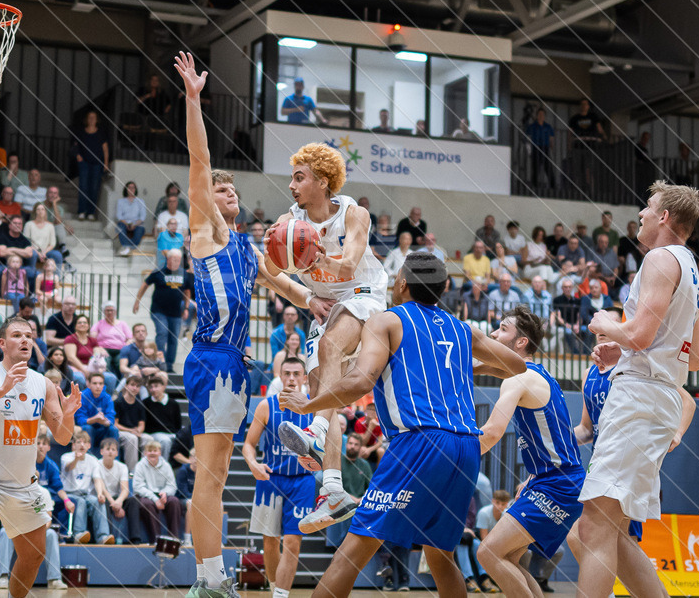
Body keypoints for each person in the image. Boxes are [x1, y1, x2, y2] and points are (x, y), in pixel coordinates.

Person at [278, 252, 527, 597]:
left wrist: (310, 404)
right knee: (440, 555)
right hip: (466, 448)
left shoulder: (387, 321)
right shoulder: (462, 329)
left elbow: (361, 381)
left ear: (402, 283)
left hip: (420, 442)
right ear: (443, 289)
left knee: (351, 553)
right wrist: (465, 366)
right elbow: (517, 365)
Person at [174, 51, 318, 597]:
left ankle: (209, 578)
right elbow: (199, 160)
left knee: (214, 475)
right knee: (210, 474)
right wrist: (194, 101)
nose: (227, 193)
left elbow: (288, 287)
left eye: (232, 190)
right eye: (219, 189)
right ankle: (210, 580)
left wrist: (321, 303)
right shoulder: (206, 230)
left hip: (235, 364)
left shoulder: (247, 248)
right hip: (212, 359)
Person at [577, 181, 699, 598]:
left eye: (648, 207)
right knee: (611, 531)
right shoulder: (690, 268)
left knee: (594, 526)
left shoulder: (660, 258)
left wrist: (606, 324)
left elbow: (640, 334)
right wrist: (626, 350)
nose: (642, 213)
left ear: (664, 217)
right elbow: (694, 358)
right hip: (657, 395)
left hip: (640, 398)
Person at [268, 140, 389, 531]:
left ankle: (316, 431)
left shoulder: (354, 214)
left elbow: (349, 265)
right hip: (325, 305)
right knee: (323, 390)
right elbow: (272, 271)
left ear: (322, 181)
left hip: (362, 293)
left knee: (330, 347)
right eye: (291, 178)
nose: (291, 185)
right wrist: (305, 295)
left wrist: (315, 257)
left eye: (299, 178)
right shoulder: (290, 222)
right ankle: (334, 491)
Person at [0, 317, 82, 598]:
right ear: (1, 343)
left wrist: (68, 414)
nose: (25, 340)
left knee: (34, 554)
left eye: (29, 336)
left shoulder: (43, 384)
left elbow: (62, 437)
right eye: (17, 335)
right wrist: (1, 391)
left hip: (22, 484)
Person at [474, 306, 585, 598]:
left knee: (488, 553)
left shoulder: (518, 379)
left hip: (557, 484)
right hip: (551, 480)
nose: (493, 334)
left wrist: (456, 457)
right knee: (508, 557)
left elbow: (492, 431)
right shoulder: (533, 373)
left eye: (502, 329)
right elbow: (491, 367)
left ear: (521, 341)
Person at [243, 357, 314, 598]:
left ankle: (281, 595)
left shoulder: (314, 407)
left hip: (302, 481)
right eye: (287, 373)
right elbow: (249, 444)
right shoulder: (266, 406)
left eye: (296, 374)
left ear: (304, 378)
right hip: (271, 479)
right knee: (270, 541)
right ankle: (274, 589)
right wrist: (253, 464)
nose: (291, 378)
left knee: (293, 542)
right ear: (280, 377)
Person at [133, 250, 194, 372]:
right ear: (168, 259)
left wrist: (186, 308)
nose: (177, 262)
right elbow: (145, 284)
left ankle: (169, 366)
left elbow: (187, 291)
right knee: (162, 333)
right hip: (158, 311)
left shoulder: (183, 274)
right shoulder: (159, 272)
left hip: (176, 313)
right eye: (174, 259)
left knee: (173, 339)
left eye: (179, 260)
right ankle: (160, 362)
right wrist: (137, 301)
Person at [59, 428, 114, 544]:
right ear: (74, 445)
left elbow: (97, 480)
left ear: (89, 446)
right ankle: (79, 534)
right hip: (69, 494)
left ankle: (103, 536)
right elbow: (68, 468)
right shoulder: (65, 457)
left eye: (85, 442)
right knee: (81, 502)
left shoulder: (93, 460)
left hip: (86, 494)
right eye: (79, 442)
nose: (82, 445)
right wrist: (76, 459)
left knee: (98, 501)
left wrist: (100, 494)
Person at [133, 440, 182, 544]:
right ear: (145, 453)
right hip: (147, 495)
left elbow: (172, 486)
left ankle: (174, 539)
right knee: (147, 504)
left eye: (155, 450)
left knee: (174, 501)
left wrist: (165, 493)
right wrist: (155, 499)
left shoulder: (166, 465)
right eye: (149, 450)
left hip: (163, 494)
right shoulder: (140, 465)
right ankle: (156, 540)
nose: (152, 453)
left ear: (159, 452)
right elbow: (138, 487)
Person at [73, 110, 111, 220]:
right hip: (84, 163)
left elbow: (105, 149)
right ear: (86, 119)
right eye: (90, 117)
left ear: (97, 120)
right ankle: (81, 211)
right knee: (83, 187)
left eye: (94, 117)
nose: (91, 119)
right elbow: (75, 145)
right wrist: (78, 155)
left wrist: (106, 163)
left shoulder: (101, 133)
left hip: (97, 164)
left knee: (94, 188)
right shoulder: (81, 132)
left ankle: (90, 212)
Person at [75, 372, 120, 455]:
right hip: (88, 428)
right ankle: (88, 457)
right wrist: (94, 419)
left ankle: (114, 459)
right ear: (89, 384)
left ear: (103, 385)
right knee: (87, 428)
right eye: (95, 383)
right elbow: (79, 420)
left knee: (113, 429)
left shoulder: (107, 397)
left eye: (100, 383)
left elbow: (111, 419)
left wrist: (105, 421)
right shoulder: (82, 396)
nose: (98, 386)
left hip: (102, 428)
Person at [525, 107, 555, 189]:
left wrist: (551, 150)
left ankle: (553, 187)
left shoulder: (548, 126)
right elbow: (528, 139)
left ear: (545, 116)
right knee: (536, 168)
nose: (541, 116)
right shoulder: (532, 126)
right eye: (539, 114)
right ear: (537, 115)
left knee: (548, 168)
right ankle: (534, 186)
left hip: (545, 148)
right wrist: (529, 151)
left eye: (542, 114)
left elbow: (551, 139)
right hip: (536, 147)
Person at [115, 181, 147, 256]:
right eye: (129, 187)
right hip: (124, 222)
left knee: (140, 229)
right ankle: (127, 247)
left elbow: (143, 216)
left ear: (135, 189)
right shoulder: (121, 201)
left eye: (133, 187)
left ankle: (129, 249)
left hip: (137, 223)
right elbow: (119, 216)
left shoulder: (140, 201)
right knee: (119, 227)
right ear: (126, 189)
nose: (131, 189)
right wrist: (127, 224)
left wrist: (134, 224)